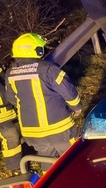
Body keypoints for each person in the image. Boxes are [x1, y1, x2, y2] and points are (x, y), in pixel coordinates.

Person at [4, 33, 81, 165]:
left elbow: (12, 99)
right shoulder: (48, 68)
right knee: (73, 158)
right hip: (59, 127)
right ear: (37, 50)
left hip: (31, 131)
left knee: (47, 160)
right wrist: (77, 107)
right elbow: (68, 91)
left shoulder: (10, 73)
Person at [0, 66, 21, 174]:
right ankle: (15, 168)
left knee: (16, 136)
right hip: (2, 116)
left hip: (9, 111)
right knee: (11, 137)